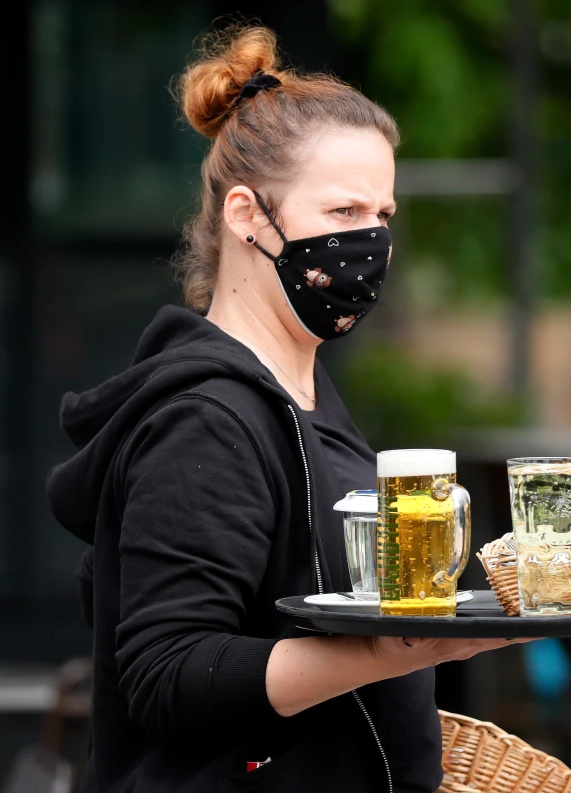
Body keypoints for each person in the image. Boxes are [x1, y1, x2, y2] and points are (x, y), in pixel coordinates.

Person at [46, 25, 517, 793]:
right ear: (246, 216)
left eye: (383, 215)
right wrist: (408, 649)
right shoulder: (206, 416)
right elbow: (169, 673)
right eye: (341, 212)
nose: (369, 240)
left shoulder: (303, 396)